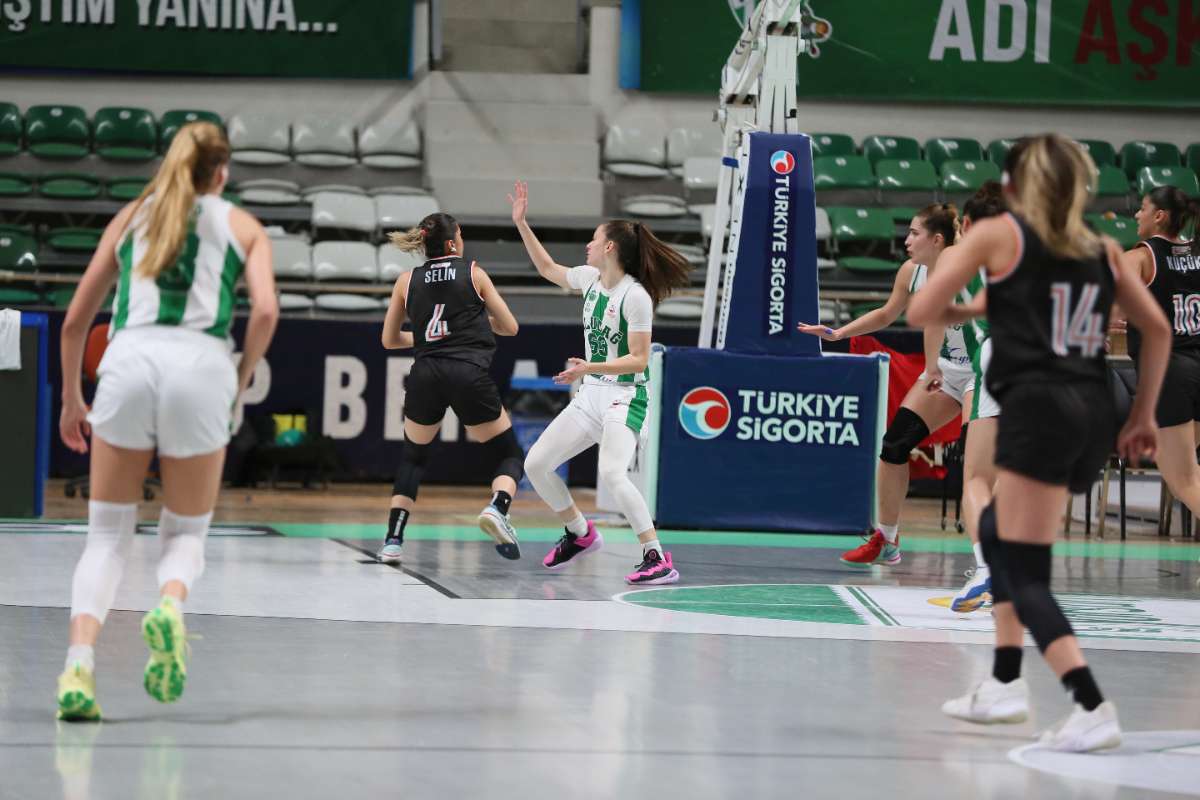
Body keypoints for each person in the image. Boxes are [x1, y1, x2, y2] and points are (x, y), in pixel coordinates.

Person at [910, 133, 1170, 752]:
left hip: (1038, 408)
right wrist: (1144, 416)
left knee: (1026, 572)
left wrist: (978, 300)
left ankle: (1089, 703)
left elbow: (923, 309)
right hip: (1093, 407)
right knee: (998, 532)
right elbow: (1154, 328)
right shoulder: (1104, 248)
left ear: (1017, 183)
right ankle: (1002, 681)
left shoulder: (1002, 236)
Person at [56, 121, 279, 720]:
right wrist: (237, 380)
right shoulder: (243, 225)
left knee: (106, 536)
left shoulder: (132, 215)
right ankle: (171, 607)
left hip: (128, 360)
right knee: (184, 533)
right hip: (201, 363)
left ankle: (79, 663)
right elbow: (265, 312)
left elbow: (76, 321)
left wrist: (73, 400)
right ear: (223, 173)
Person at [508, 180, 691, 585]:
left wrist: (587, 368)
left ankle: (656, 555)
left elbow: (640, 358)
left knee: (612, 473)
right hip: (592, 394)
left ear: (610, 247)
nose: (588, 246)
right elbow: (547, 269)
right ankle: (579, 532)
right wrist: (522, 224)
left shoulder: (636, 296)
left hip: (627, 396)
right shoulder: (591, 279)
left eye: (593, 240)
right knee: (536, 464)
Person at [799, 204, 969, 567]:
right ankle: (887, 540)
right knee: (894, 445)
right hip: (946, 373)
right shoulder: (912, 272)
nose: (906, 240)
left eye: (914, 233)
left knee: (978, 464)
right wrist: (839, 332)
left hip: (982, 373)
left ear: (937, 240)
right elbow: (888, 313)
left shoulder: (970, 270)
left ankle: (997, 560)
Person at [377, 212, 525, 563]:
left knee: (414, 457)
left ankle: (393, 540)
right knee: (509, 455)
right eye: (460, 234)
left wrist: (433, 334)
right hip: (467, 372)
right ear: (451, 242)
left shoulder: (405, 280)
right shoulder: (473, 272)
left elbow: (388, 340)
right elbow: (510, 327)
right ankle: (498, 508)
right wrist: (468, 330)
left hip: (425, 372)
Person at [1116, 188, 1200, 534]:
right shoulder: (1197, 253)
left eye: (1143, 209)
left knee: (1183, 480)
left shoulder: (1140, 257)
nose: (1136, 215)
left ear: (1159, 216)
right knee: (1189, 467)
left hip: (1171, 372)